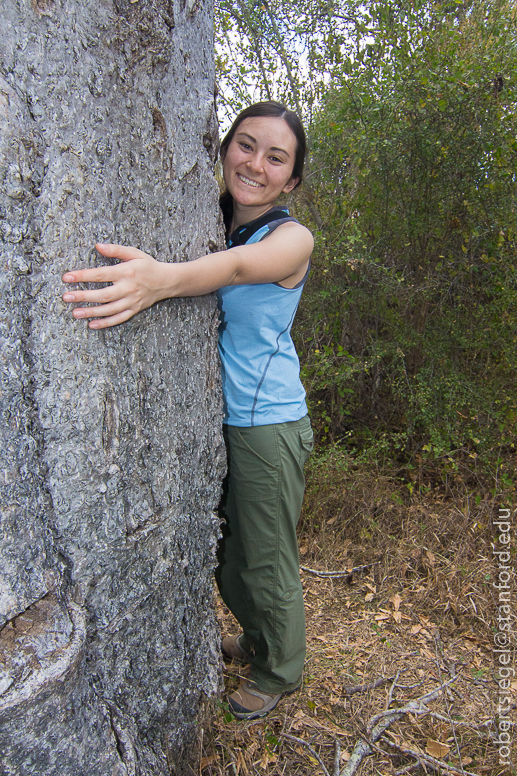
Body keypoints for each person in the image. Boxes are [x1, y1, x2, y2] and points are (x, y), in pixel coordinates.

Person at [62, 101, 314, 720]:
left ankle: (280, 669)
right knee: (227, 552)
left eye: (275, 157)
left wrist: (157, 280)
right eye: (245, 145)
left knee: (264, 555)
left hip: (268, 423)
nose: (255, 164)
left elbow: (231, 269)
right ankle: (258, 638)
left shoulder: (291, 238)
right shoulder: (210, 216)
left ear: (292, 179)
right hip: (222, 420)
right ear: (224, 146)